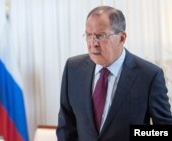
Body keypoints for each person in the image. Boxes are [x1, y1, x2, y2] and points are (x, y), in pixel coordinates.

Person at [56, 5, 172, 141]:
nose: (93, 43)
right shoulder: (73, 68)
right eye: (88, 35)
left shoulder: (149, 75)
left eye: (100, 36)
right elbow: (66, 125)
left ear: (122, 38)